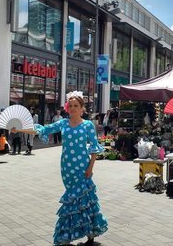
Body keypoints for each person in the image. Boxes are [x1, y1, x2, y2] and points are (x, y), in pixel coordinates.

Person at [12, 91, 107, 246]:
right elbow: (42, 130)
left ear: (82, 108)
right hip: (66, 168)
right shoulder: (63, 123)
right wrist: (20, 129)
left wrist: (90, 167)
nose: (73, 108)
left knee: (84, 198)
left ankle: (90, 233)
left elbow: (94, 149)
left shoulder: (88, 125)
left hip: (83, 168)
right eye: (71, 105)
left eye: (76, 106)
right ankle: (69, 234)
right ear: (67, 107)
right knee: (72, 200)